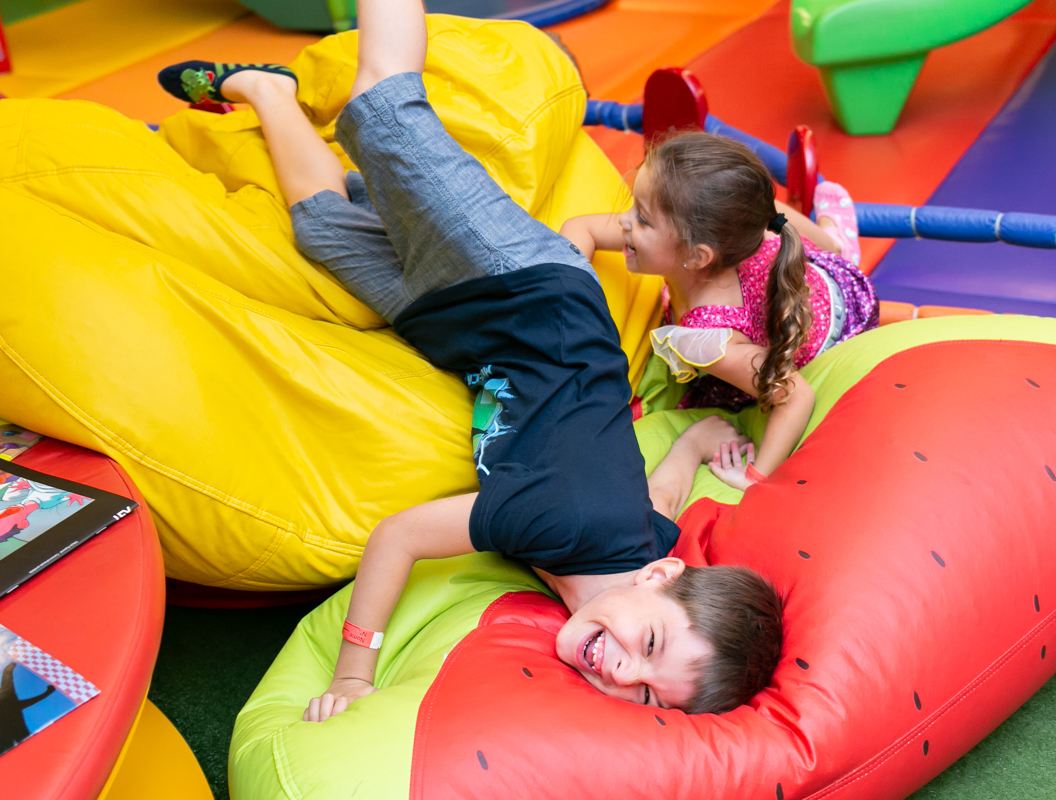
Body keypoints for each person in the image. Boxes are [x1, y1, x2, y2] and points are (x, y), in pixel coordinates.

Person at [155, 1, 782, 719]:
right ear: (660, 580)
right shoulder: (555, 521)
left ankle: (268, 94)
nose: (618, 668)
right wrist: (354, 673)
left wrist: (701, 440)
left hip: (463, 327)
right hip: (522, 287)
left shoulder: (634, 551)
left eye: (644, 693)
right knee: (382, 101)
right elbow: (398, 538)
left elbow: (658, 501)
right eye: (649, 644)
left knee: (324, 229)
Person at [560, 134, 879, 491]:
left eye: (643, 218)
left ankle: (837, 246)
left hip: (842, 319)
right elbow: (579, 227)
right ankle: (832, 242)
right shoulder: (721, 230)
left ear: (698, 256)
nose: (624, 222)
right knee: (763, 211)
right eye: (634, 207)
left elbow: (796, 395)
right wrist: (562, 305)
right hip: (813, 277)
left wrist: (754, 477)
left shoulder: (708, 341)